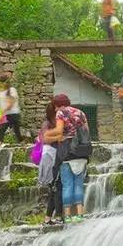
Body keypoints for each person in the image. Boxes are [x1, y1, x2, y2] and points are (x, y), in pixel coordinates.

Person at [43, 94, 90, 222]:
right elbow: (86, 131)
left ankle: (68, 216)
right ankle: (80, 214)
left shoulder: (60, 113)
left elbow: (59, 131)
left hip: (67, 152)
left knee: (68, 184)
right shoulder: (80, 112)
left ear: (56, 105)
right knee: (79, 185)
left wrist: (47, 133)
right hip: (82, 152)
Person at [38, 104, 61, 225]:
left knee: (55, 189)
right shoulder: (47, 124)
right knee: (55, 188)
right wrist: (60, 136)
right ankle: (57, 216)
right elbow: (45, 139)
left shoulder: (57, 122)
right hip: (49, 158)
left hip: (56, 157)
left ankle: (48, 218)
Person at [0, 75, 23, 143]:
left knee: (7, 128)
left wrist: (3, 110)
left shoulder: (12, 90)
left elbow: (11, 102)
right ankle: (21, 141)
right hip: (5, 114)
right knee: (6, 129)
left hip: (13, 113)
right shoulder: (0, 93)